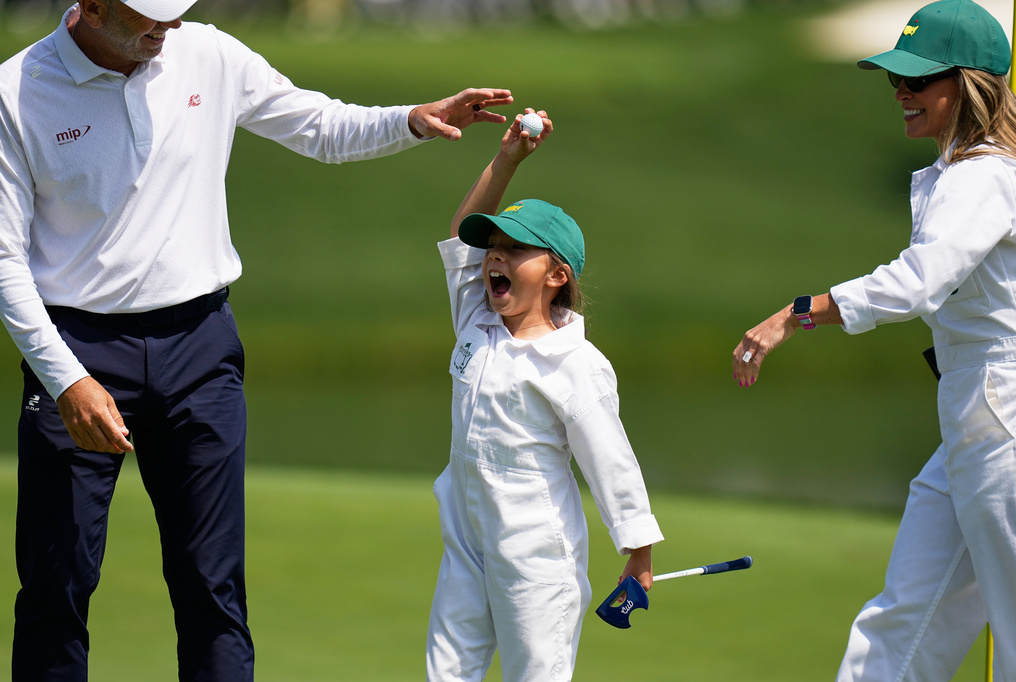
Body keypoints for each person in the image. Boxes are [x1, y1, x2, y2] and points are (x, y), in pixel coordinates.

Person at [0, 0, 514, 679]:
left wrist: (413, 121)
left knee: (212, 587)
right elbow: (5, 259)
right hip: (80, 352)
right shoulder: (16, 93)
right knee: (56, 590)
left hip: (199, 349)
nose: (171, 27)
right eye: (150, 17)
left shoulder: (205, 52)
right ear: (92, 7)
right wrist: (66, 379)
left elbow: (320, 125)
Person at [731, 0, 1016, 678]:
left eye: (918, 80)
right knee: (904, 618)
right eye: (895, 79)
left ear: (970, 84)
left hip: (1004, 410)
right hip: (977, 414)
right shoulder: (966, 172)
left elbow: (918, 282)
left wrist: (798, 313)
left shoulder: (981, 176)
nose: (901, 92)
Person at [428, 108, 665, 681]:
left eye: (515, 249)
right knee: (446, 672)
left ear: (557, 274)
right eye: (495, 248)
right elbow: (462, 237)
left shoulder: (577, 365)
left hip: (535, 553)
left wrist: (639, 552)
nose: (495, 258)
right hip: (465, 535)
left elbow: (610, 461)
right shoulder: (477, 318)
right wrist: (507, 158)